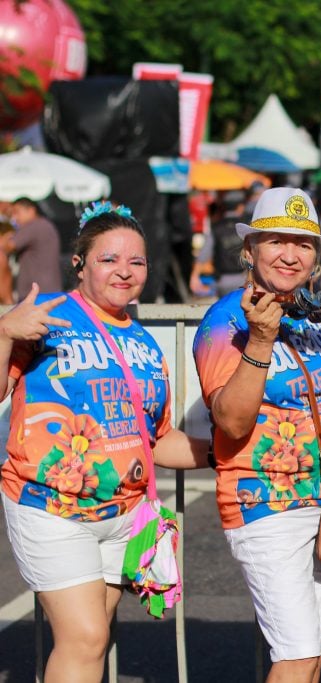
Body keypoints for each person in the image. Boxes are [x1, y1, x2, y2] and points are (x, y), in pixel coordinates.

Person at [0, 202, 205, 682]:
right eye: (108, 259)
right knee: (87, 637)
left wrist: (224, 452)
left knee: (91, 642)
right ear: (80, 263)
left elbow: (156, 440)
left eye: (136, 261)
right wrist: (6, 331)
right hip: (51, 508)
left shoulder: (145, 345)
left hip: (123, 518)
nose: (124, 271)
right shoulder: (48, 319)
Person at [193, 187, 321, 682]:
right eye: (276, 242)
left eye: (304, 244)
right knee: (297, 653)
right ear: (250, 251)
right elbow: (232, 421)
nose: (291, 255)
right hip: (264, 502)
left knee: (317, 648)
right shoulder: (226, 322)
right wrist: (261, 341)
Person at [2, 197, 61, 301]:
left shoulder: (34, 225)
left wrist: (6, 237)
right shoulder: (44, 225)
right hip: (47, 290)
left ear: (31, 210)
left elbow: (9, 246)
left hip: (37, 293)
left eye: (17, 212)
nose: (14, 218)